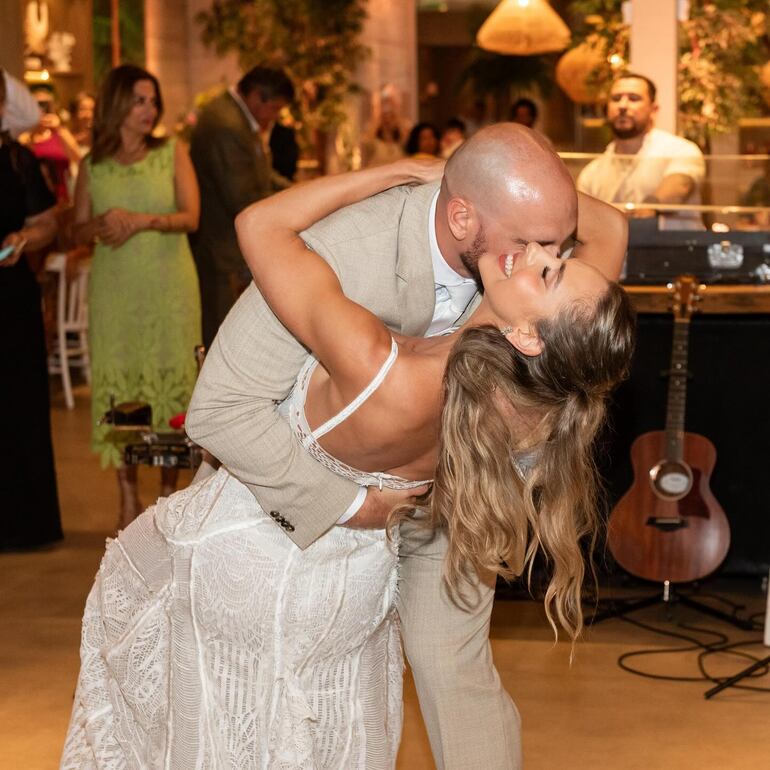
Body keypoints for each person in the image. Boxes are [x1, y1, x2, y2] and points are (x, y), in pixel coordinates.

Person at [61, 149, 634, 768]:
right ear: (465, 216)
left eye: (552, 262)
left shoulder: (385, 366)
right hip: (351, 569)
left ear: (527, 334)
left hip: (291, 571)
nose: (548, 253)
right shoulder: (552, 382)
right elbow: (611, 233)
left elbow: (259, 226)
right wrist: (508, 179)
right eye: (543, 245)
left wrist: (400, 173)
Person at [72, 65, 201, 527]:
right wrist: (103, 222)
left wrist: (140, 220)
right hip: (116, 291)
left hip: (169, 286)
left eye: (153, 102)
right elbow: (77, 226)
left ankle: (167, 497)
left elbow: (191, 216)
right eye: (140, 101)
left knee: (168, 382)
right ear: (117, 104)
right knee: (122, 385)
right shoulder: (93, 165)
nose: (149, 110)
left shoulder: (172, 153)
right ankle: (126, 493)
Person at [189, 66, 294, 348]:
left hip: (227, 244)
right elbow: (241, 196)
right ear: (257, 96)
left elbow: (259, 173)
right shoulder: (225, 124)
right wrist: (294, 207)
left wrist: (301, 191)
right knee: (222, 330)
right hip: (220, 246)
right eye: (274, 109)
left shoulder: (236, 117)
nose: (273, 118)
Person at [0, 73, 62, 550]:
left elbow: (46, 224)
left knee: (16, 403)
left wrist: (25, 239)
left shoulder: (17, 158)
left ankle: (22, 522)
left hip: (9, 295)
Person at [577, 72, 706, 230]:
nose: (623, 106)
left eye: (634, 98)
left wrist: (649, 207)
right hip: (616, 255)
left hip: (675, 252)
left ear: (654, 108)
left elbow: (681, 185)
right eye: (616, 99)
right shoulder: (592, 172)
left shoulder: (681, 149)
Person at [20, 85, 81, 203]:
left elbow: (77, 156)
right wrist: (31, 128)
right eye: (37, 104)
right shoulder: (26, 136)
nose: (41, 109)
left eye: (45, 105)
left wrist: (59, 128)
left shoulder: (61, 133)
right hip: (34, 199)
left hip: (62, 198)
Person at [68, 91, 96, 157]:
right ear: (74, 113)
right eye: (83, 109)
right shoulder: (66, 135)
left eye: (92, 110)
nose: (88, 115)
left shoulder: (102, 137)